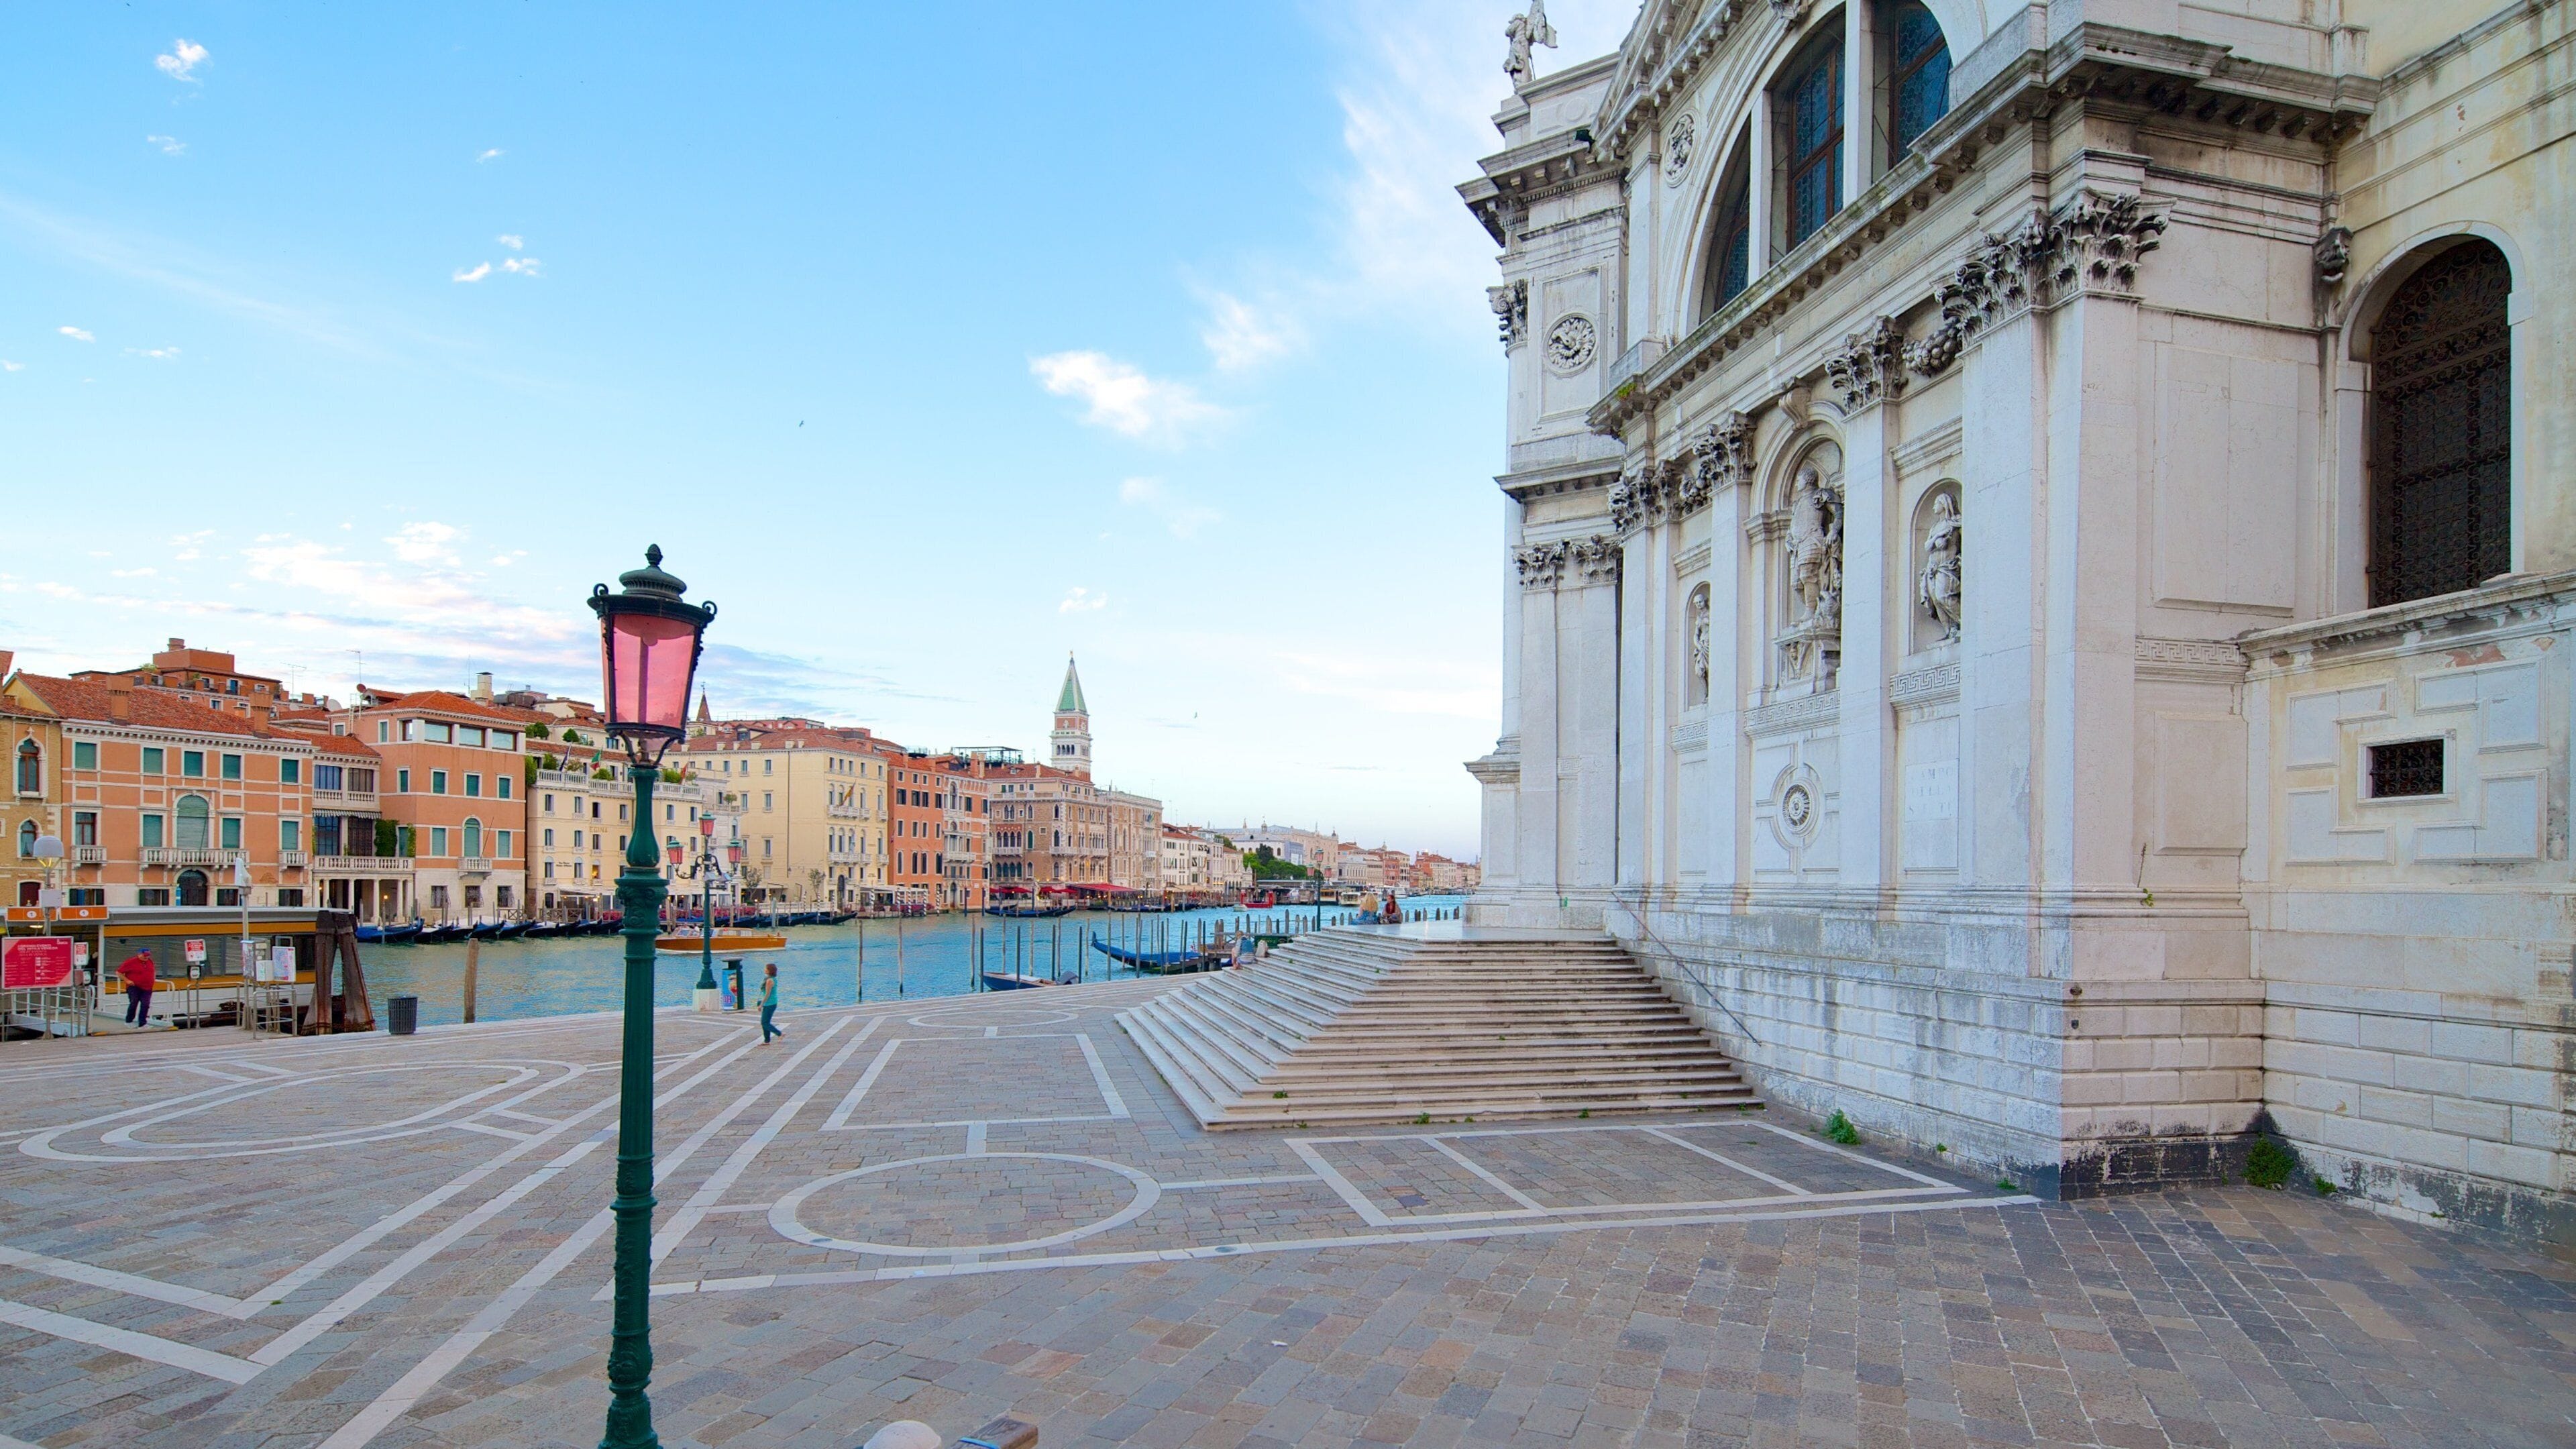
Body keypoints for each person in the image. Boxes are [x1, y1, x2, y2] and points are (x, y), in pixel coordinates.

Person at [117, 949, 156, 1028]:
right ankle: (129, 1021)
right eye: (145, 955)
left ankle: (143, 1023)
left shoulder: (150, 962)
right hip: (134, 986)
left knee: (146, 1004)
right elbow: (119, 972)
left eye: (148, 955)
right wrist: (127, 980)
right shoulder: (131, 962)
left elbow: (153, 971)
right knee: (134, 1003)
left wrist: (153, 979)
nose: (147, 957)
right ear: (139, 954)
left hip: (147, 987)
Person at [757, 961, 782, 1043]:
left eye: (766, 968)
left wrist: (761, 1004)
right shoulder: (768, 979)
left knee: (764, 1022)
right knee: (765, 1022)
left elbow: (768, 994)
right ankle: (767, 1040)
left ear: (769, 970)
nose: (764, 969)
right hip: (769, 1003)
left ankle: (779, 1033)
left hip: (770, 1003)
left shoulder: (770, 981)